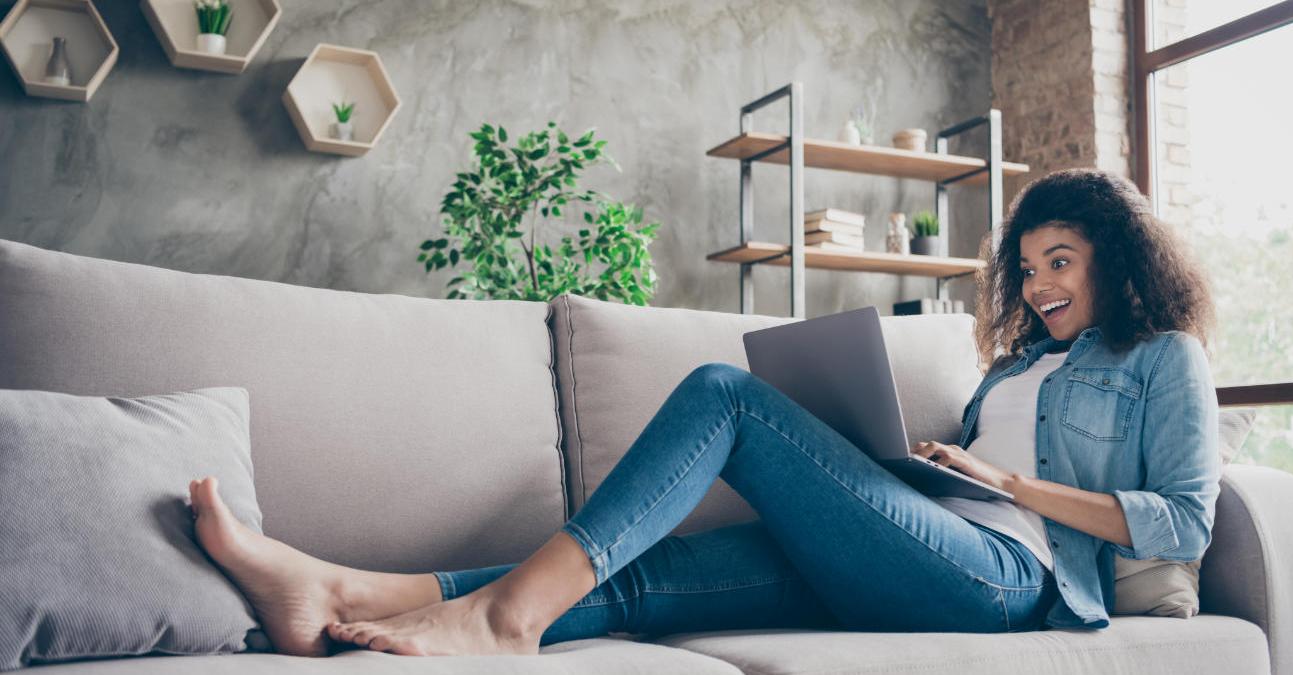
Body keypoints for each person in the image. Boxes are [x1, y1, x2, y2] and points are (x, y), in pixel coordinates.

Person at [186, 168, 1221, 657]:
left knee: (727, 397)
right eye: (1028, 266)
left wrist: (1013, 486)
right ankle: (345, 590)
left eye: (1061, 263)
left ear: (1116, 262)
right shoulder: (1007, 371)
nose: (1039, 286)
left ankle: (504, 619)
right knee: (652, 575)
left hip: (1013, 577)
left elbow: (1183, 519)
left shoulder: (1160, 357)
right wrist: (911, 465)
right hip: (932, 537)